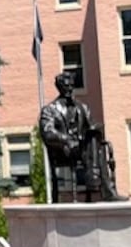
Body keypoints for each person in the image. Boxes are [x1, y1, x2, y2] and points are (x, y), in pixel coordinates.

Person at [38, 72, 122, 202]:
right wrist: (67, 139)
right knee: (96, 150)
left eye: (71, 86)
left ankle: (94, 177)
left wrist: (95, 129)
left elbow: (91, 126)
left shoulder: (82, 107)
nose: (69, 89)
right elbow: (48, 132)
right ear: (59, 87)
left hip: (83, 147)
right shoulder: (49, 109)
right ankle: (101, 185)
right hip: (63, 149)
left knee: (95, 143)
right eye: (66, 86)